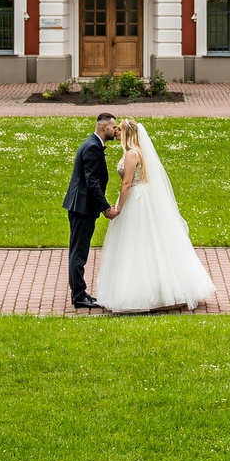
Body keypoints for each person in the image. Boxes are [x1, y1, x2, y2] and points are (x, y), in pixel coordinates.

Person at [93, 118, 216, 314]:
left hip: (135, 200)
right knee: (148, 242)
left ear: (127, 134)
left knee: (136, 244)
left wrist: (118, 208)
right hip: (142, 197)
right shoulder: (136, 152)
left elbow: (126, 184)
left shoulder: (131, 154)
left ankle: (143, 293)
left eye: (120, 130)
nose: (116, 132)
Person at [61, 110, 120, 310]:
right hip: (82, 207)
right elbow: (92, 182)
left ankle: (79, 292)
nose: (115, 130)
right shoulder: (93, 148)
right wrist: (104, 207)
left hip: (81, 205)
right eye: (114, 127)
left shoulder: (92, 144)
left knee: (78, 251)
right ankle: (79, 295)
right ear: (104, 127)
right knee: (79, 252)